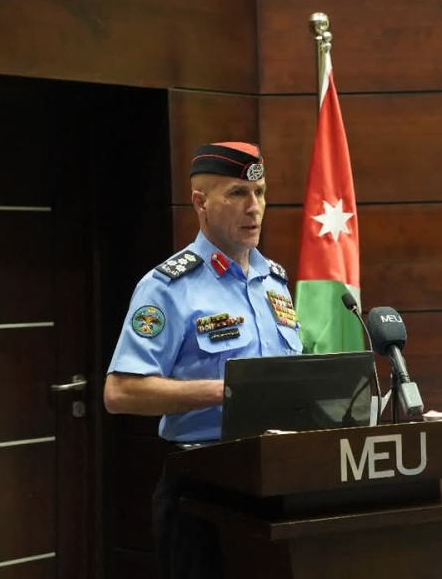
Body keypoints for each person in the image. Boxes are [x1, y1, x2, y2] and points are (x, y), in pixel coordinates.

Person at [103, 141, 303, 579]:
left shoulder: (274, 282)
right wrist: (226, 392)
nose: (254, 208)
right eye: (237, 194)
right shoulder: (168, 287)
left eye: (260, 193)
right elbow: (120, 392)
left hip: (280, 481)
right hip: (204, 489)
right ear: (200, 203)